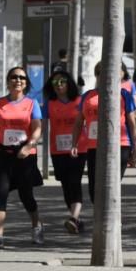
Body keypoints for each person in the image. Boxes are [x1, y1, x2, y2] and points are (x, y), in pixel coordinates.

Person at [0, 66, 44, 249]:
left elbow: (38, 128)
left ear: (26, 83)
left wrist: (29, 145)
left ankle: (36, 226)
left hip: (24, 156)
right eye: (14, 77)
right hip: (2, 154)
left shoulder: (32, 103)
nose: (18, 80)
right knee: (0, 193)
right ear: (8, 81)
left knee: (26, 196)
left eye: (22, 78)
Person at [70, 62, 136, 208]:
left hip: (120, 145)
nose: (106, 76)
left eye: (111, 73)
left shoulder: (124, 95)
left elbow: (132, 122)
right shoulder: (87, 96)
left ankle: (110, 223)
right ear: (97, 75)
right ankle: (100, 218)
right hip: (94, 147)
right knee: (94, 188)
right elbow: (78, 123)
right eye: (101, 73)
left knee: (112, 186)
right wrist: (74, 144)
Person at [42, 70, 86, 234]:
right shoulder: (50, 104)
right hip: (58, 149)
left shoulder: (79, 101)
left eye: (62, 82)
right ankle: (76, 219)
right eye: (55, 83)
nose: (59, 85)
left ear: (69, 83)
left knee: (75, 182)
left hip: (79, 148)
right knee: (66, 185)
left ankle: (73, 218)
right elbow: (41, 125)